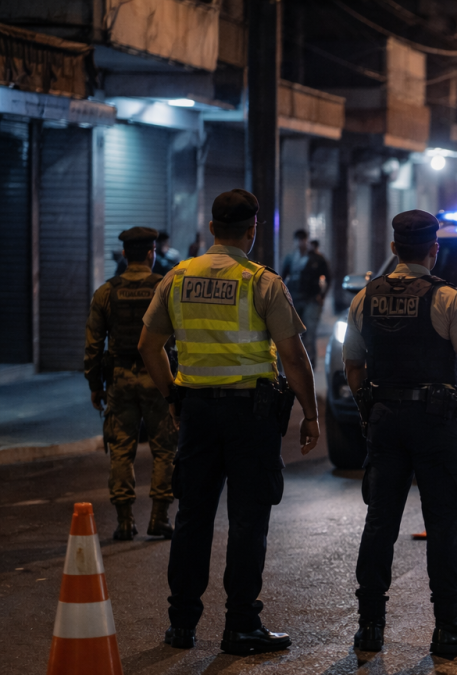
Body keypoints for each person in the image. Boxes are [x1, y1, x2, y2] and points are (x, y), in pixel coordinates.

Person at [138, 189, 321, 656]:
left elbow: (148, 345)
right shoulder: (261, 282)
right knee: (247, 522)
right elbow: (294, 357)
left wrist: (173, 397)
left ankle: (181, 625)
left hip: (197, 411)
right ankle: (241, 626)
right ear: (252, 229)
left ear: (214, 227)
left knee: (193, 519)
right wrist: (310, 413)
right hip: (250, 416)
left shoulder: (177, 277)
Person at [343, 210, 457, 656]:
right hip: (435, 423)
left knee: (380, 524)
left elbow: (353, 366)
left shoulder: (364, 298)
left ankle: (369, 627)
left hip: (385, 422)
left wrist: (368, 408)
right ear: (435, 249)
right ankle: (449, 628)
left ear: (394, 249)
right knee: (445, 522)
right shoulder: (447, 298)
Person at [84, 227, 178, 541]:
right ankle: (159, 518)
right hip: (159, 378)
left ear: (125, 254)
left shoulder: (106, 292)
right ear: (152, 253)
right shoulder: (165, 288)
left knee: (121, 450)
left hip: (120, 379)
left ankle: (125, 522)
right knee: (164, 448)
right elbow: (180, 339)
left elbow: (94, 346)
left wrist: (95, 385)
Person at [280, 229, 332, 360]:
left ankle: (310, 362)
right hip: (294, 299)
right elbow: (282, 277)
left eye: (303, 239)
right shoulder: (291, 258)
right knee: (293, 333)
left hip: (311, 299)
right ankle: (297, 361)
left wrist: (322, 296)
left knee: (310, 333)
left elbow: (328, 277)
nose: (300, 243)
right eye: (298, 240)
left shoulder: (316, 258)